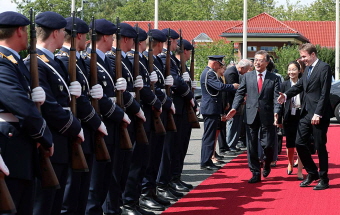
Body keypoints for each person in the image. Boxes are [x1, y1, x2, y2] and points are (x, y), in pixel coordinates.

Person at [23, 11, 84, 215]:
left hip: (63, 139)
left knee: (57, 201)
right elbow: (49, 106)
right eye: (63, 31)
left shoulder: (55, 62)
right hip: (51, 137)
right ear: (56, 33)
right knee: (44, 202)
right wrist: (75, 127)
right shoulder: (34, 63)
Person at [0, 11, 54, 215]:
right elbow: (19, 104)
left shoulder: (13, 61)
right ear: (20, 31)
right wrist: (45, 136)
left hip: (21, 143)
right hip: (10, 144)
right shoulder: (2, 61)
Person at [55, 17, 109, 215]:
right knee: (70, 191)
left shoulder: (80, 61)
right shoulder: (63, 60)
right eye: (85, 36)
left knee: (81, 188)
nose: (86, 40)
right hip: (75, 129)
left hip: (85, 129)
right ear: (78, 35)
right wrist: (97, 122)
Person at [83, 18, 128, 215]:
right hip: (101, 122)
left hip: (111, 122)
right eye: (111, 37)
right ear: (105, 37)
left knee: (108, 176)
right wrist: (120, 115)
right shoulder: (89, 59)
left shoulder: (105, 59)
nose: (112, 41)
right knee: (96, 182)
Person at [277, 43, 332, 190]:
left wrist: (318, 113)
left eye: (304, 56)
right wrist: (286, 95)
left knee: (320, 146)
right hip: (306, 113)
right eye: (301, 56)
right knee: (299, 143)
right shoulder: (307, 69)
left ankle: (324, 178)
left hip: (318, 114)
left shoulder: (324, 68)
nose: (302, 59)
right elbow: (299, 86)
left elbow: (324, 93)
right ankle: (312, 172)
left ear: (313, 55)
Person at [105, 22, 146, 215]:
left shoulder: (125, 59)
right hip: (118, 117)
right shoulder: (112, 59)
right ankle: (116, 206)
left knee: (126, 165)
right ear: (127, 39)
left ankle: (123, 203)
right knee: (116, 169)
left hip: (127, 117)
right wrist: (136, 109)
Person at [226, 50, 281, 183]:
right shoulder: (247, 76)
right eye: (255, 60)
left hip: (267, 115)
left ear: (267, 62)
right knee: (251, 145)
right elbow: (240, 93)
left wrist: (277, 111)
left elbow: (276, 98)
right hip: (250, 114)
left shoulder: (274, 78)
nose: (257, 62)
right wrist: (234, 107)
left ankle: (267, 163)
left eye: (260, 60)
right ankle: (255, 172)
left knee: (267, 145)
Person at [140, 28, 175, 208]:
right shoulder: (143, 60)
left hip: (156, 112)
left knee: (154, 156)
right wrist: (162, 101)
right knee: (146, 159)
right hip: (149, 112)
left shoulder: (153, 61)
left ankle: (151, 191)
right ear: (159, 44)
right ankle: (145, 192)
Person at [200, 55, 238, 170]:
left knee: (211, 136)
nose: (221, 67)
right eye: (220, 65)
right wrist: (233, 86)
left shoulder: (210, 73)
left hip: (213, 108)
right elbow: (219, 86)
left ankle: (207, 160)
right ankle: (205, 162)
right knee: (209, 137)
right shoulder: (209, 73)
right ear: (215, 63)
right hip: (210, 109)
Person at [279, 61, 303, 180]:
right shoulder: (284, 85)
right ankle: (290, 162)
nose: (291, 72)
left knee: (301, 143)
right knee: (290, 144)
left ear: (299, 71)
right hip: (289, 116)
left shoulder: (304, 83)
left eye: (294, 69)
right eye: (289, 70)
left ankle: (300, 169)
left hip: (302, 115)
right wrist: (278, 118)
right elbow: (279, 103)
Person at [224, 59, 251, 153]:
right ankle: (230, 145)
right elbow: (233, 89)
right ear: (242, 68)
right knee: (233, 125)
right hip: (232, 103)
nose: (247, 72)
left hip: (236, 103)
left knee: (236, 125)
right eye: (246, 70)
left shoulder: (235, 72)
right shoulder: (231, 73)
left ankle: (232, 144)